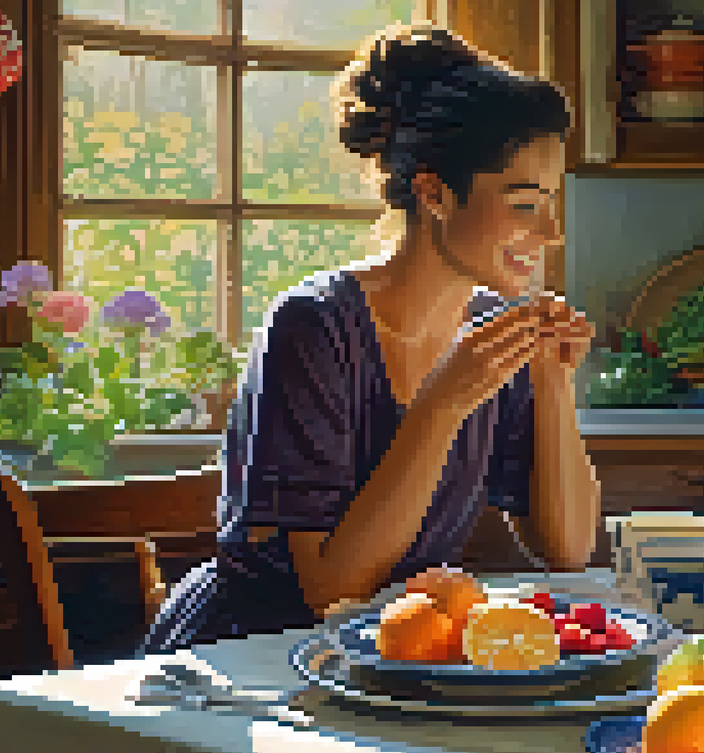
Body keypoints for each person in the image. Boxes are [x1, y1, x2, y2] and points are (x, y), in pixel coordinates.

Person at [140, 24, 600, 654]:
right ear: (434, 193)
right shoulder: (312, 326)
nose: (551, 231)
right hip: (247, 661)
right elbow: (328, 591)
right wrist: (438, 409)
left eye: (551, 201)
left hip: (389, 658)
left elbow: (568, 551)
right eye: (524, 203)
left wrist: (552, 379)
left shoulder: (493, 330)